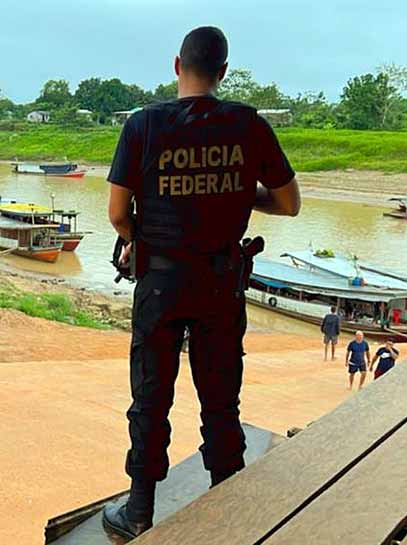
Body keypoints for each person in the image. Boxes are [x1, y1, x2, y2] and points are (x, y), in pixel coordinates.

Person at [101, 26, 301, 541]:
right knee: (220, 395)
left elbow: (118, 213)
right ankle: (227, 498)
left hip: (161, 282)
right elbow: (287, 202)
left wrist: (137, 236)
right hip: (220, 282)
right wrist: (236, 194)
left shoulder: (143, 125)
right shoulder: (249, 126)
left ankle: (140, 509)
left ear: (176, 66)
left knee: (151, 394)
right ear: (224, 72)